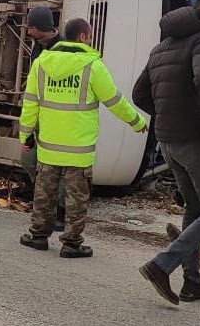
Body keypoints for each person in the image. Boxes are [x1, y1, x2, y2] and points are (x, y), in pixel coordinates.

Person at [20, 17, 147, 257]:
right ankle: (71, 243)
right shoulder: (92, 66)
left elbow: (30, 103)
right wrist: (137, 122)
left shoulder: (42, 63)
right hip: (79, 149)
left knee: (44, 192)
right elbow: (115, 101)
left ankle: (38, 235)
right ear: (82, 36)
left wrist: (25, 136)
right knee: (76, 197)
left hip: (48, 146)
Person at [133, 5, 200, 304]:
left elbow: (139, 94)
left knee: (194, 206)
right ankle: (162, 264)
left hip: (167, 141)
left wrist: (165, 116)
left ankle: (192, 282)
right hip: (191, 140)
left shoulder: (161, 48)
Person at [20, 6, 67, 228]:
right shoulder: (38, 48)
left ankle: (58, 212)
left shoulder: (62, 50)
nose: (28, 32)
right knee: (30, 161)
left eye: (31, 27)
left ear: (41, 28)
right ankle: (44, 202)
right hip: (39, 116)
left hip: (58, 119)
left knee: (56, 168)